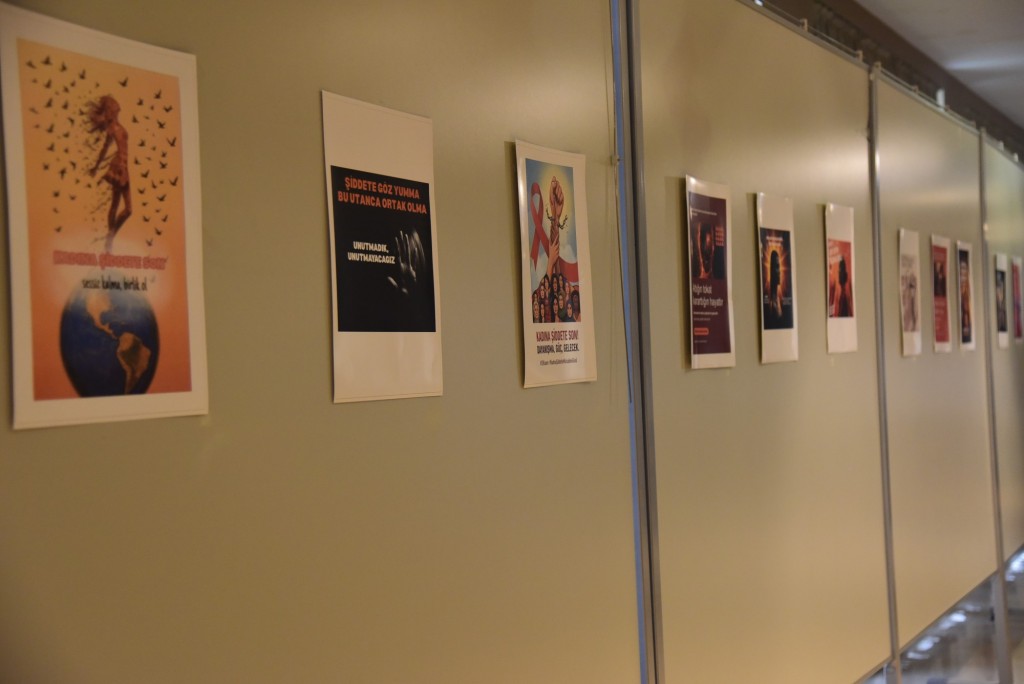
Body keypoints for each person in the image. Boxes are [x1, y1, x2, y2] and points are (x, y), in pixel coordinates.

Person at [88, 96, 131, 253]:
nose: (117, 109)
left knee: (126, 209)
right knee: (117, 205)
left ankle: (110, 237)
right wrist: (96, 166)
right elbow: (104, 149)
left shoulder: (117, 127)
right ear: (111, 111)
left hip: (124, 167)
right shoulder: (112, 129)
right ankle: (110, 240)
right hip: (119, 167)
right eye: (114, 107)